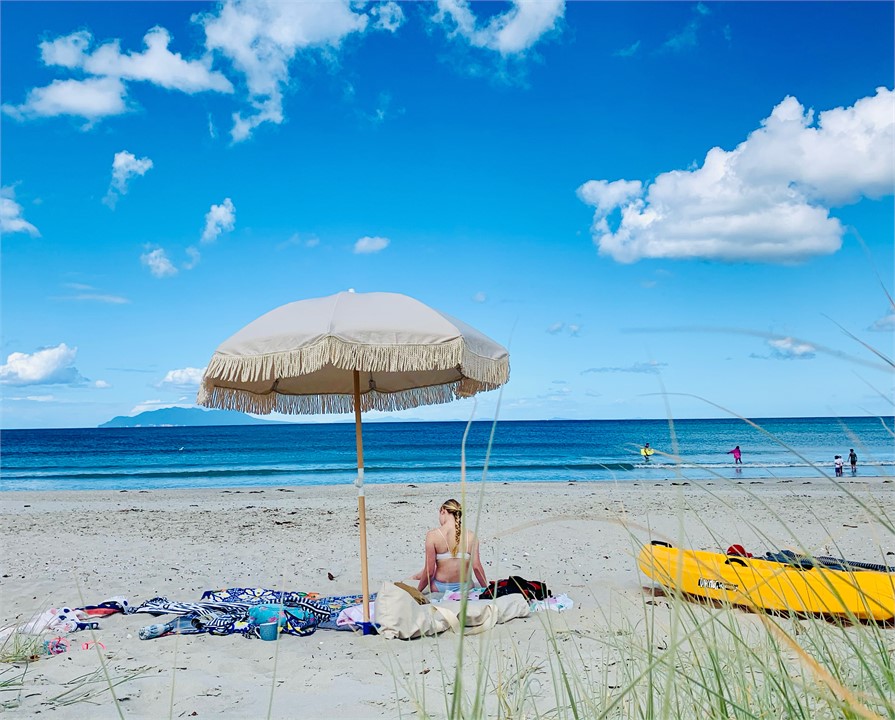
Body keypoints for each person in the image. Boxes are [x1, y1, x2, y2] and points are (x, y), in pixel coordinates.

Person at [414, 499, 487, 593]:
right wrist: (487, 589)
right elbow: (477, 567)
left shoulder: (432, 535)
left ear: (443, 511)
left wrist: (418, 591)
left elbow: (429, 571)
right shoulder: (471, 536)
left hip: (440, 587)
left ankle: (413, 577)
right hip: (465, 587)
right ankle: (414, 577)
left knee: (431, 569)